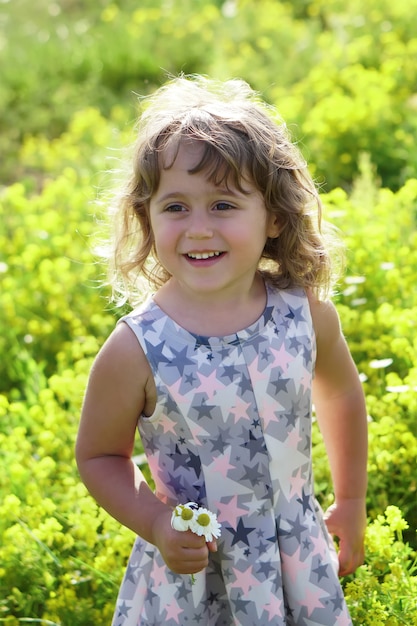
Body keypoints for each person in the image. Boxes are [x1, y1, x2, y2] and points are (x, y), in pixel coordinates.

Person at [76, 75, 368, 626]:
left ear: (274, 217)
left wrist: (350, 501)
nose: (198, 228)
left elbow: (342, 393)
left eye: (225, 204)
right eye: (176, 207)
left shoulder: (304, 314)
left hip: (295, 553)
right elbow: (99, 456)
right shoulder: (137, 346)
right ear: (147, 217)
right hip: (194, 572)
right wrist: (157, 524)